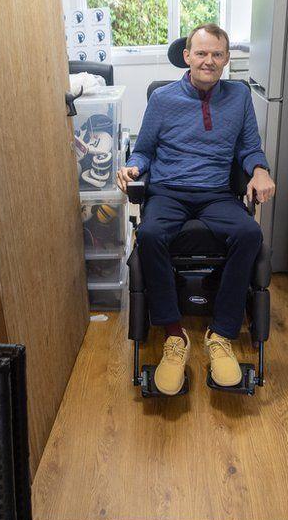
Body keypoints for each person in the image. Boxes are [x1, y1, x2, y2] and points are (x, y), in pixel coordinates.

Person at [116, 24, 275, 396]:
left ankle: (221, 333)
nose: (209, 61)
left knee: (250, 233)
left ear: (226, 59)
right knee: (150, 234)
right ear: (187, 57)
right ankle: (174, 335)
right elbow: (145, 148)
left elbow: (250, 147)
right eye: (201, 53)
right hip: (169, 191)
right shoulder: (164, 99)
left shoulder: (239, 97)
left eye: (217, 54)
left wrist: (260, 170)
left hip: (216, 193)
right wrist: (134, 167)